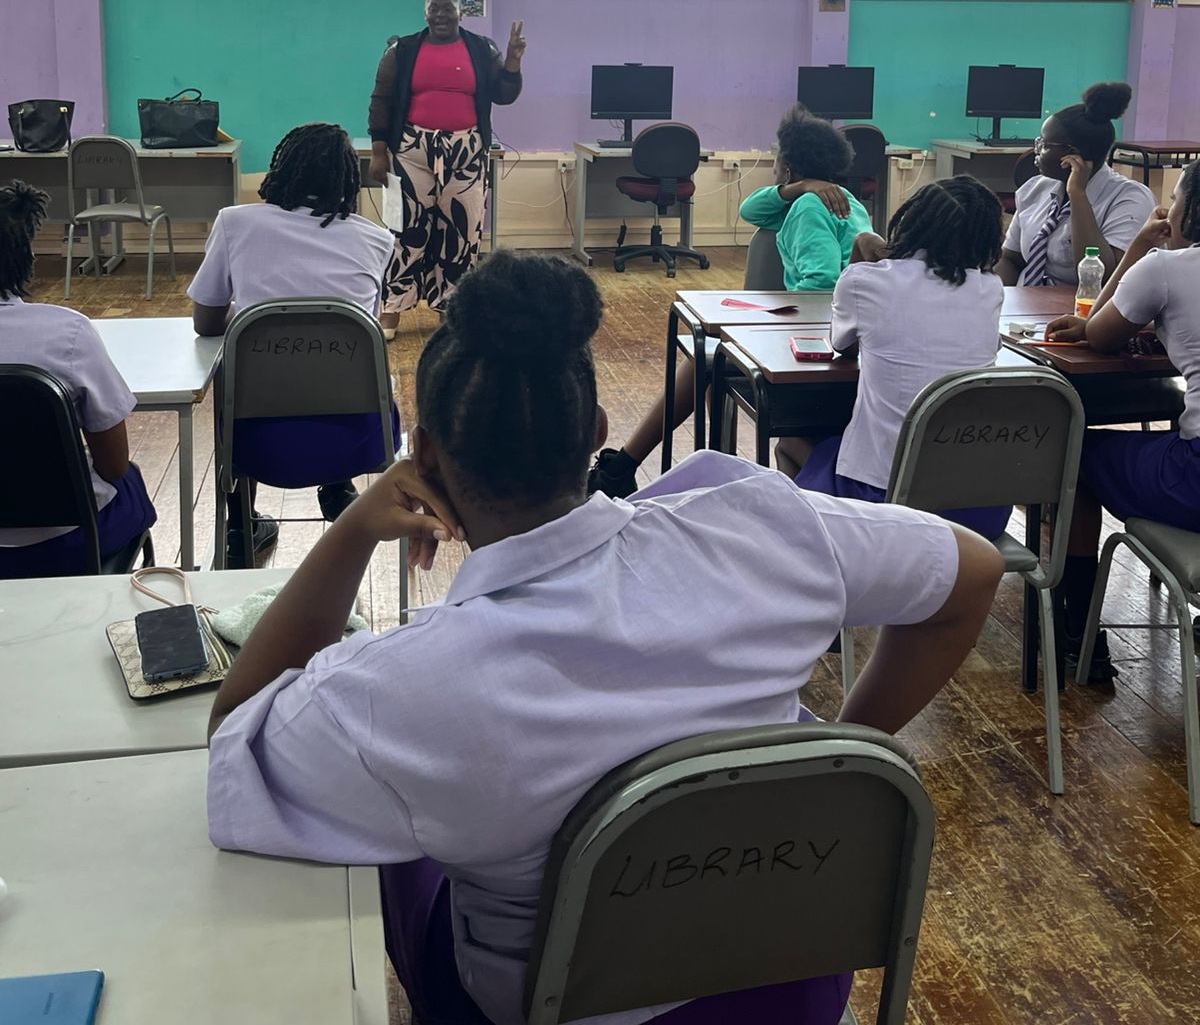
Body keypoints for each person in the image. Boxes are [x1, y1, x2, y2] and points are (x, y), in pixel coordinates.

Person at [207, 250, 1004, 1025]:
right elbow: (973, 573)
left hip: (559, 1002)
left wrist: (349, 530)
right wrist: (839, 761)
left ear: (426, 458)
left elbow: (235, 745)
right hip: (789, 980)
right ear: (594, 429)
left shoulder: (395, 697)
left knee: (390, 830)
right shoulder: (763, 525)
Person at [589, 104, 871, 498]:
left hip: (820, 344)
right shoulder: (845, 203)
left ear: (787, 167)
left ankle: (638, 467)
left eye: (777, 165)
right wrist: (798, 187)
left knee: (709, 356)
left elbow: (821, 283)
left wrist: (782, 319)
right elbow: (750, 208)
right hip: (848, 339)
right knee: (708, 356)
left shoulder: (809, 207)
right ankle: (631, 465)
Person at [188, 123, 398, 566]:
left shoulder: (235, 222)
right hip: (359, 438)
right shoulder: (377, 240)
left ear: (280, 169)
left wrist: (251, 319)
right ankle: (339, 486)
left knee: (245, 377)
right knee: (331, 361)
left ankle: (240, 526)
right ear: (349, 180)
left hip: (258, 442)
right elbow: (361, 330)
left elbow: (206, 323)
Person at [1046, 161, 1200, 682]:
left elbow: (1099, 333)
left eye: (1176, 198)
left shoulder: (1169, 269)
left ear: (1192, 210)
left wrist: (1138, 248)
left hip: (1196, 477)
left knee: (1078, 455)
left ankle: (1079, 640)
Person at [787, 176, 1009, 536]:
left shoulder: (865, 281)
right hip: (979, 506)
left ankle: (817, 564)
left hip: (886, 500)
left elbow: (842, 346)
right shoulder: (990, 288)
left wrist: (861, 252)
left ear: (910, 221)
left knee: (790, 443)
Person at [0, 181, 156, 578]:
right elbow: (113, 465)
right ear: (24, 257)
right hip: (64, 543)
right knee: (130, 479)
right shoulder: (66, 333)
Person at [368, 0, 525, 327]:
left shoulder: (481, 49)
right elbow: (381, 100)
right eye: (433, 8)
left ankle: (450, 308)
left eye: (447, 7)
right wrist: (379, 151)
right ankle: (392, 307)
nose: (440, 14)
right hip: (412, 153)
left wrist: (513, 61)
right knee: (406, 230)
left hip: (466, 153)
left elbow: (504, 94)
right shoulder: (402, 51)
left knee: (462, 232)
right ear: (425, 11)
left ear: (461, 10)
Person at [997, 81, 1153, 288]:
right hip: (1023, 307)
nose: (1036, 150)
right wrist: (1000, 301)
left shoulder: (1130, 198)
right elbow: (1011, 258)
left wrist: (1078, 195)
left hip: (1079, 312)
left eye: (1044, 145)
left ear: (1072, 155)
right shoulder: (1035, 188)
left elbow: (1103, 278)